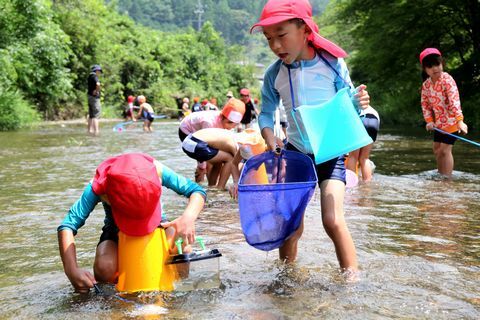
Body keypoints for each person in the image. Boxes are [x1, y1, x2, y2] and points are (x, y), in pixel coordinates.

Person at [251, 0, 370, 272]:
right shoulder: (273, 74)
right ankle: (286, 279)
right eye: (269, 38)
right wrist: (270, 138)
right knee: (291, 225)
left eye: (281, 35)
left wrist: (359, 101)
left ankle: (352, 282)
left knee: (332, 220)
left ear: (304, 30)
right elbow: (266, 113)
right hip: (294, 153)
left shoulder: (331, 64)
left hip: (329, 151)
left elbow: (347, 103)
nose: (275, 46)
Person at [57, 153, 206, 293]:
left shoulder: (156, 170)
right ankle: (114, 297)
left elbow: (196, 190)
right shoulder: (101, 185)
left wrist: (188, 217)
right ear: (107, 196)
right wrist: (72, 270)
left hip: (157, 226)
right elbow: (67, 226)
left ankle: (178, 289)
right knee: (105, 267)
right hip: (116, 230)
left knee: (182, 249)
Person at [420, 48, 468, 177]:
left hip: (452, 122)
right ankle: (441, 175)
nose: (434, 68)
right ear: (425, 69)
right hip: (439, 124)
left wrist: (460, 121)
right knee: (437, 150)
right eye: (430, 66)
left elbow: (454, 100)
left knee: (445, 150)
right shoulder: (426, 85)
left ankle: (446, 181)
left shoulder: (447, 80)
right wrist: (429, 121)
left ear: (442, 64)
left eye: (437, 64)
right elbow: (425, 105)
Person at [178, 98, 246, 184]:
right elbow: (202, 142)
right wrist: (201, 165)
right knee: (206, 165)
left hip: (198, 140)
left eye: (235, 125)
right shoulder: (210, 122)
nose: (232, 128)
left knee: (219, 159)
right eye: (230, 124)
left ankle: (212, 186)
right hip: (187, 131)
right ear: (223, 118)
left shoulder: (223, 122)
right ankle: (201, 184)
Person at [346, 105, 380, 182]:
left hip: (358, 119)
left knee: (353, 157)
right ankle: (367, 185)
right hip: (374, 121)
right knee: (364, 158)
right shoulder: (372, 109)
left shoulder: (351, 105)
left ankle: (351, 185)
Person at [87, 65, 102, 136]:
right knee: (96, 115)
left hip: (89, 96)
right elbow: (98, 84)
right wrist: (96, 91)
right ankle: (96, 131)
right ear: (97, 71)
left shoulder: (89, 76)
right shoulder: (95, 76)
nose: (100, 73)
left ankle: (89, 131)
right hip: (95, 98)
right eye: (99, 71)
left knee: (91, 115)